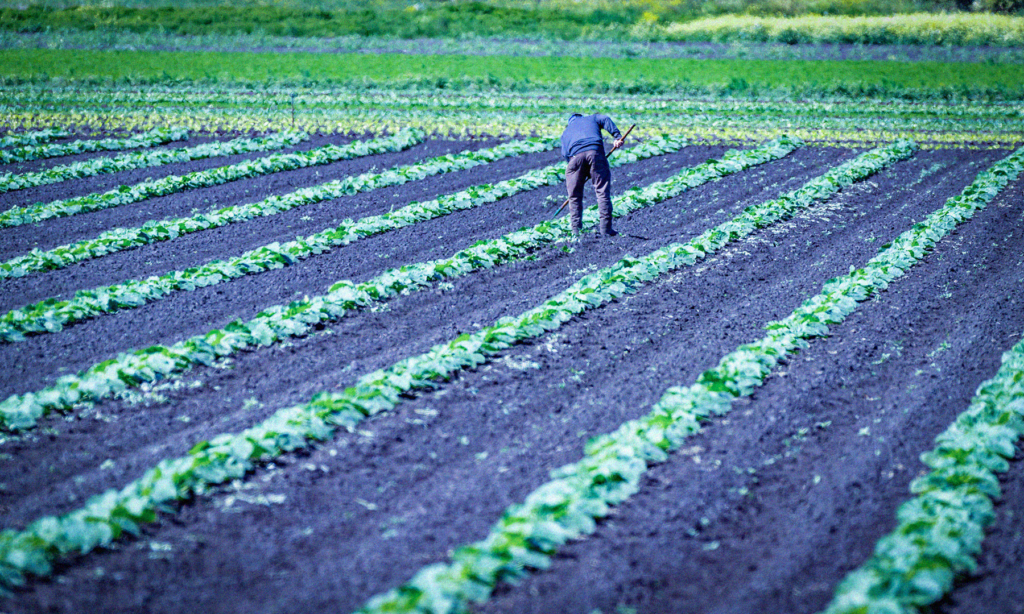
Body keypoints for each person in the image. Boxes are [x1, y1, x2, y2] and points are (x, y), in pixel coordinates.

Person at [560, 113, 624, 237]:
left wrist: (580, 175)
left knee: (574, 197)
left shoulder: (566, 132)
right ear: (581, 117)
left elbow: (566, 155)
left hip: (574, 159)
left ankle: (576, 232)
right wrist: (617, 136)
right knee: (602, 192)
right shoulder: (592, 118)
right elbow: (605, 118)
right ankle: (606, 230)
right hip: (595, 153)